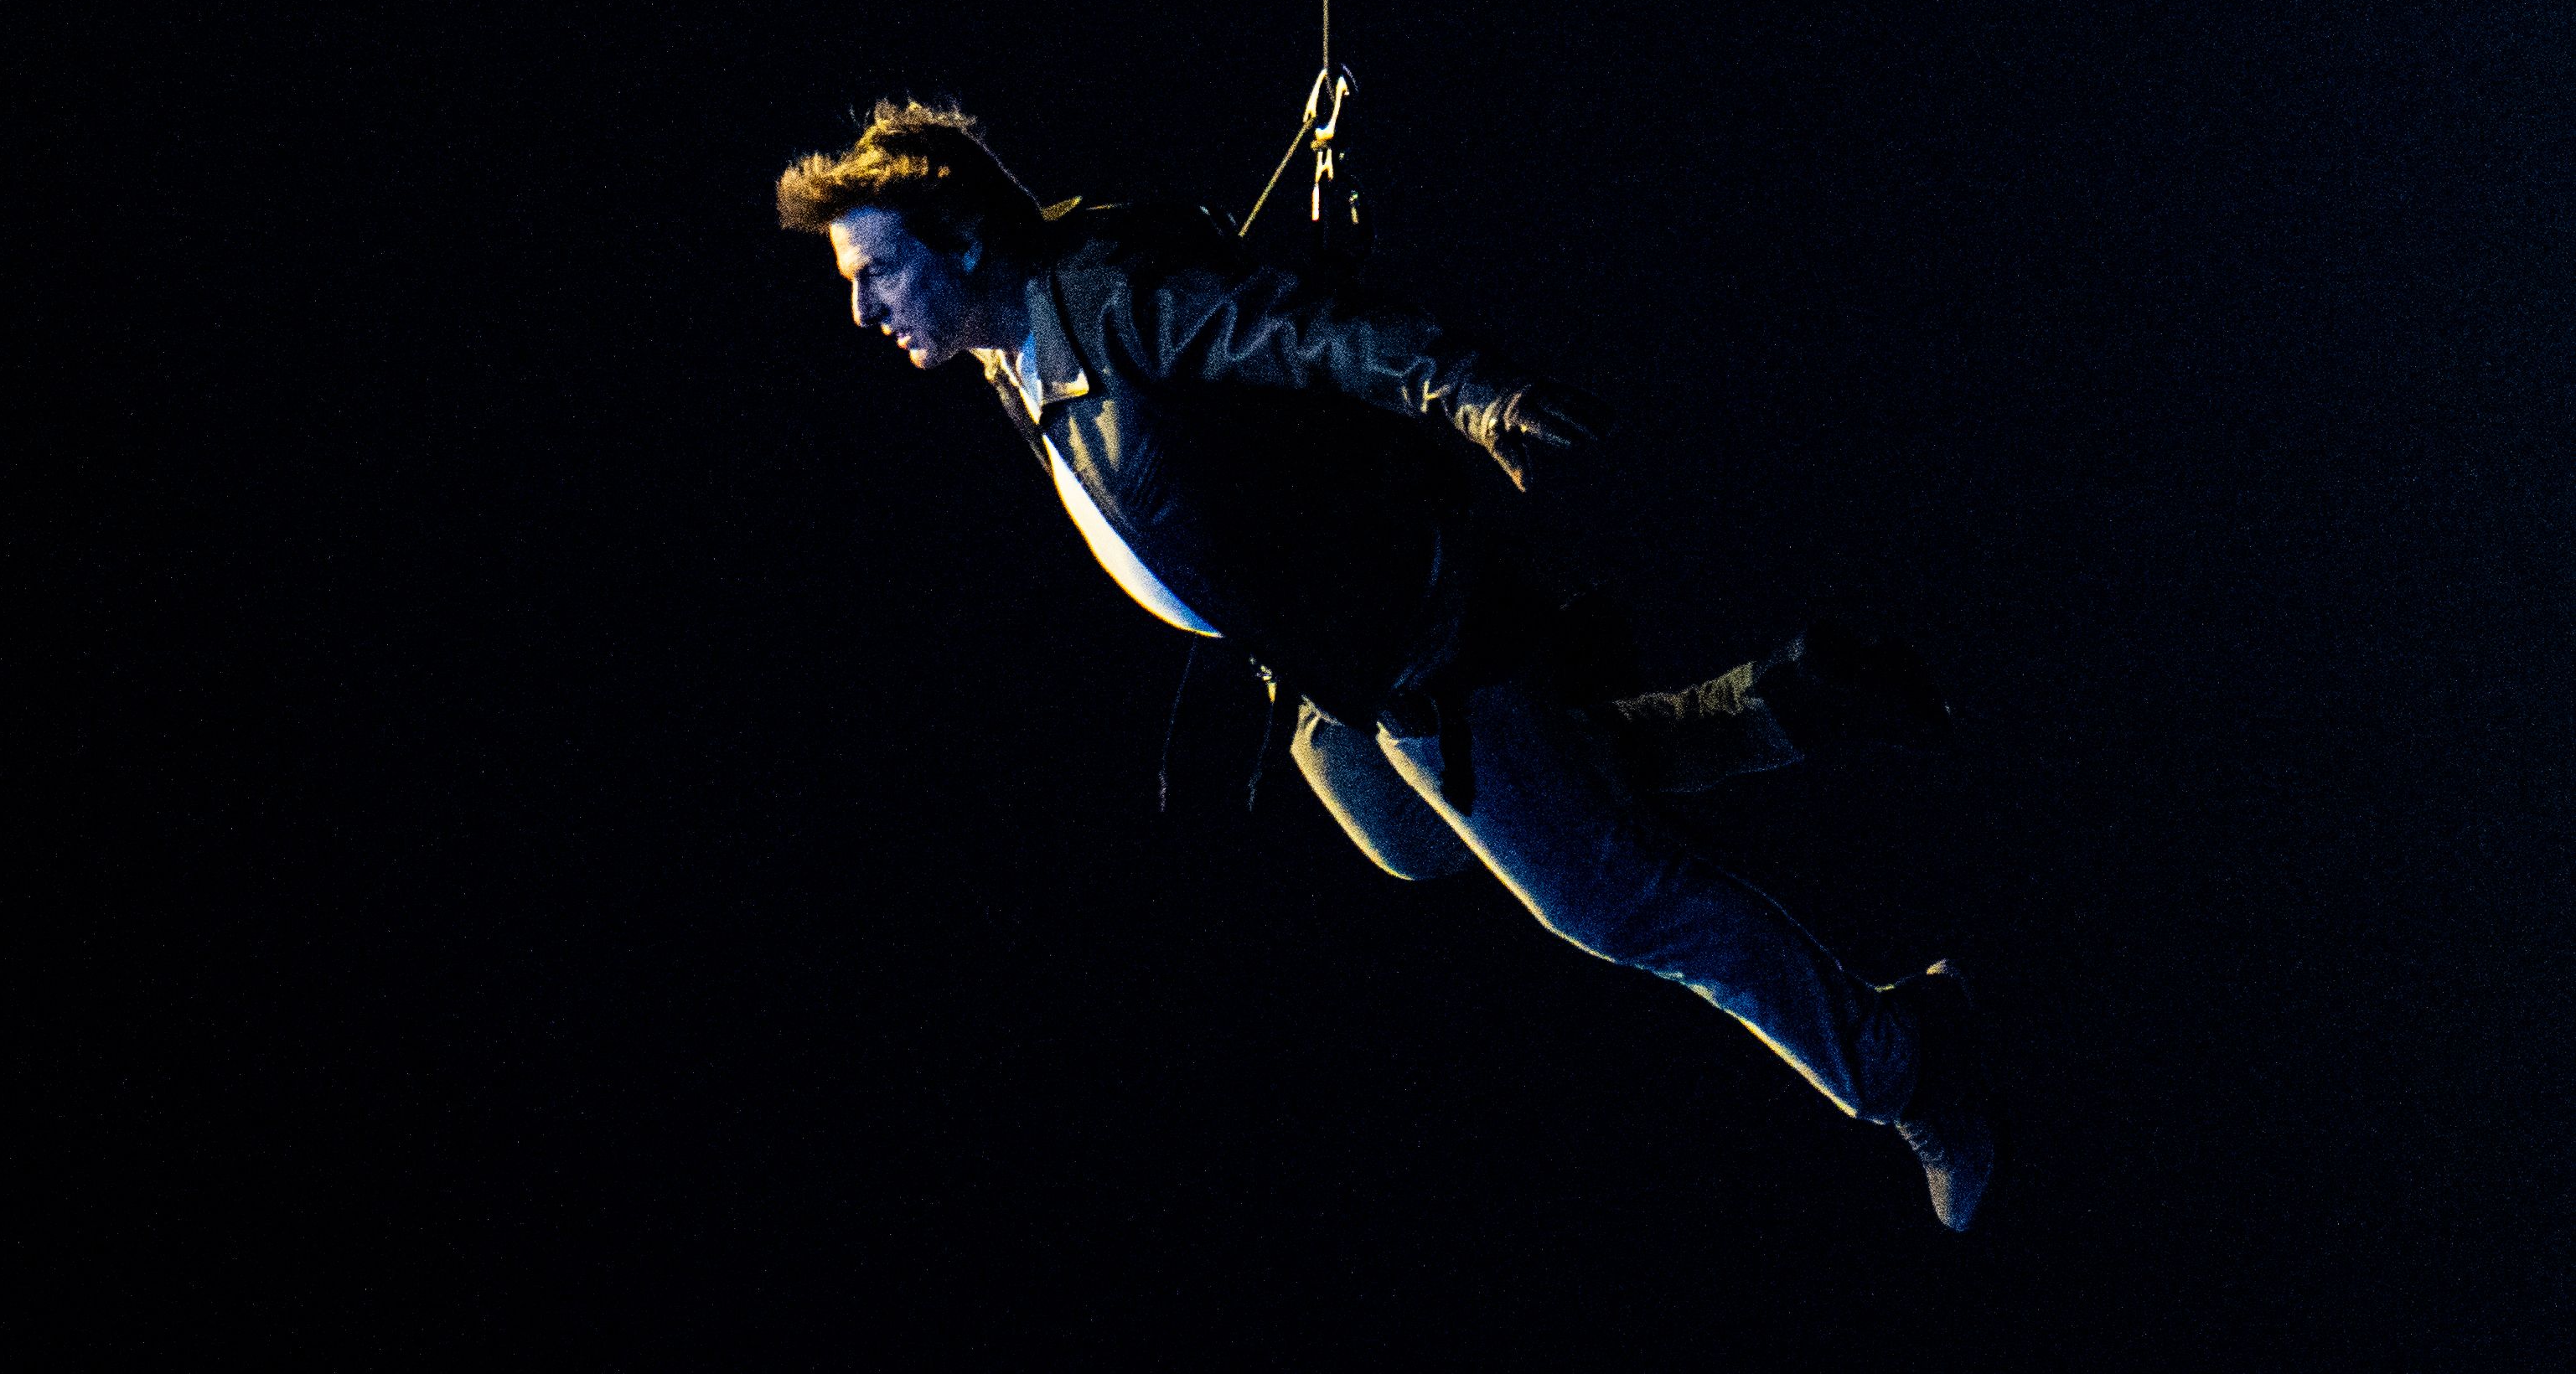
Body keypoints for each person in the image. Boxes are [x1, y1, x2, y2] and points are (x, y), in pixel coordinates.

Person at [778, 99, 1998, 1230]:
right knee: (1426, 836)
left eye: (877, 273)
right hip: (1328, 678)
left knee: (1614, 901)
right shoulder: (1011, 353)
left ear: (963, 243)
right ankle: (1786, 701)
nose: (863, 310)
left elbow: (1299, 334)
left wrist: (1469, 389)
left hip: (1419, 646)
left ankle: (1905, 1061)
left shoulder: (1103, 300)